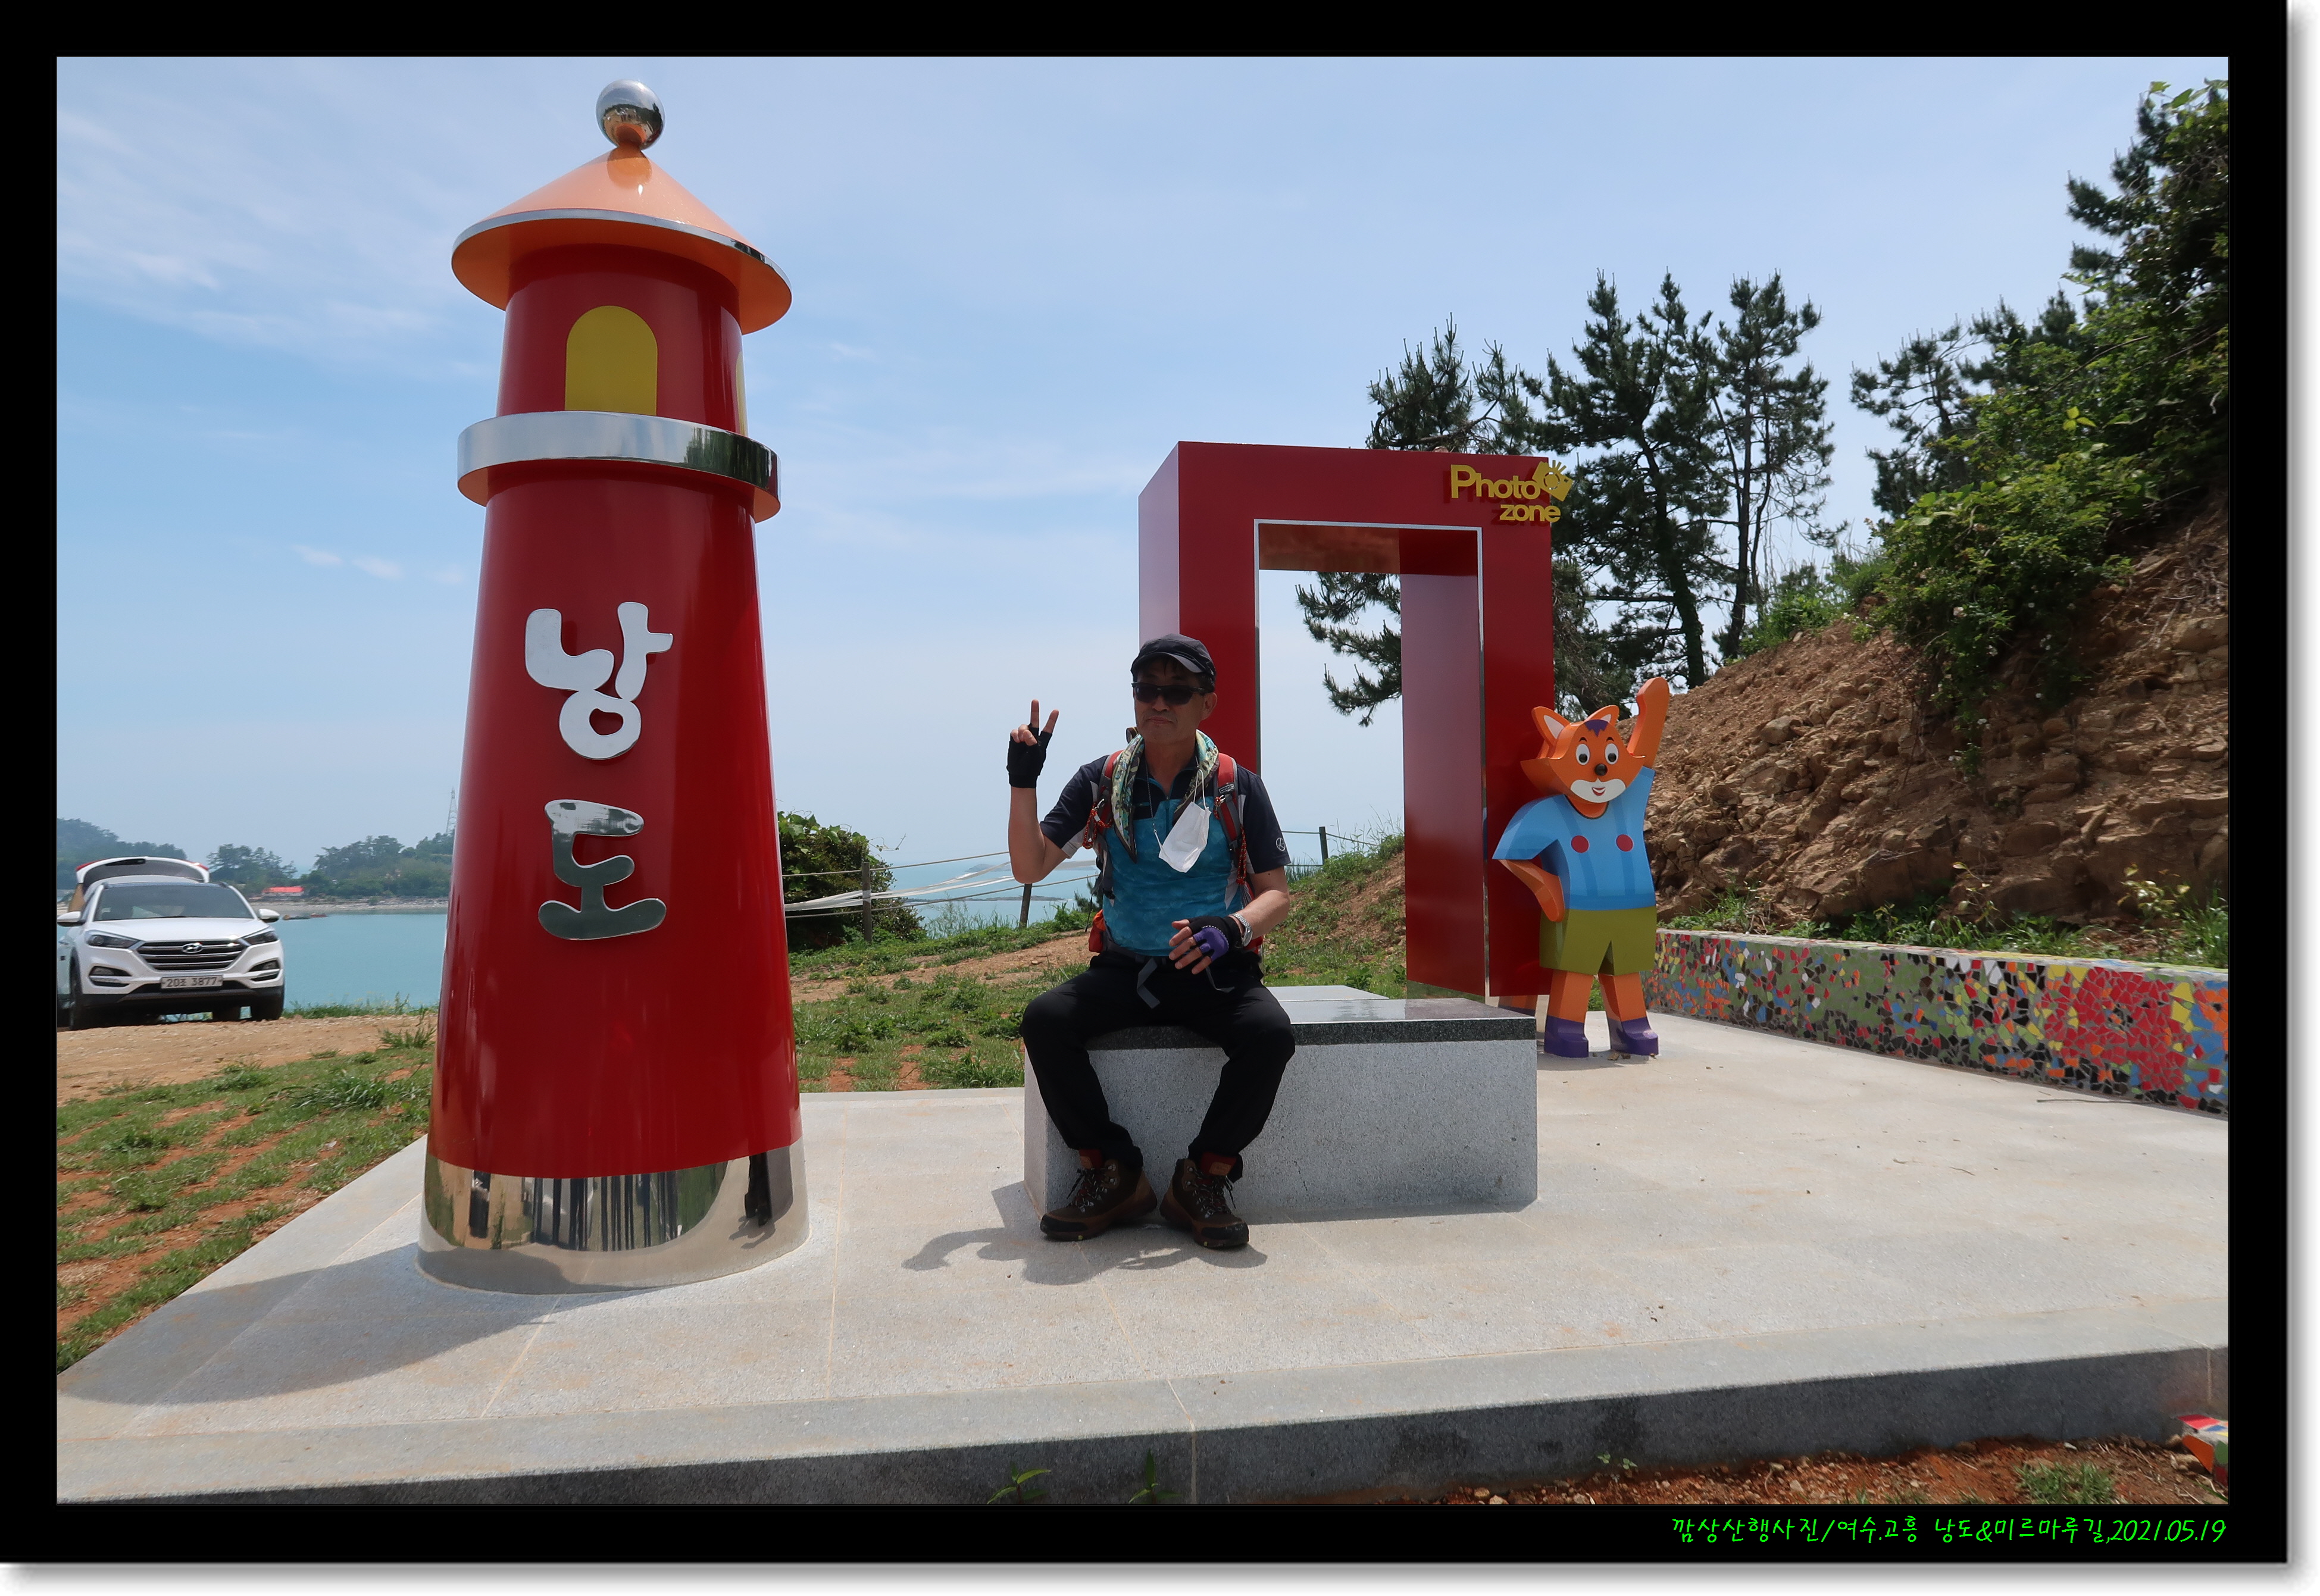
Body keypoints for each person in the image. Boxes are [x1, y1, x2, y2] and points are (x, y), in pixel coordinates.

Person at [1006, 634, 1295, 1250]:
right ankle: (1114, 1172)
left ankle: (1204, 1176)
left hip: (1212, 968)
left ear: (1207, 703)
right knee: (1046, 1020)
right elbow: (1030, 866)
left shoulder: (1235, 786)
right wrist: (1022, 783)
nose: (1159, 702)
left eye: (1177, 691)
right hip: (1126, 968)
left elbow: (1276, 895)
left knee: (1270, 1035)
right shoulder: (1101, 780)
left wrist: (1231, 929)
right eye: (1147, 688)